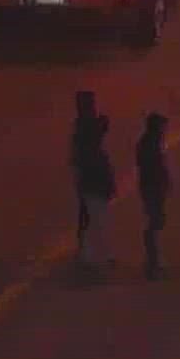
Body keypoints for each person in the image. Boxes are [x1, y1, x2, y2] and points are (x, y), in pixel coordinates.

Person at [72, 93, 117, 270]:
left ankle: (89, 253)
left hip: (87, 180)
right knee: (98, 219)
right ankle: (97, 255)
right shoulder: (89, 133)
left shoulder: (81, 129)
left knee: (90, 218)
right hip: (94, 181)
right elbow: (101, 128)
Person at [135, 113, 171, 279]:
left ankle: (153, 259)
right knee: (156, 221)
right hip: (152, 188)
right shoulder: (150, 144)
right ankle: (153, 260)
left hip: (151, 187)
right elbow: (154, 167)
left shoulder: (149, 143)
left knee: (156, 220)